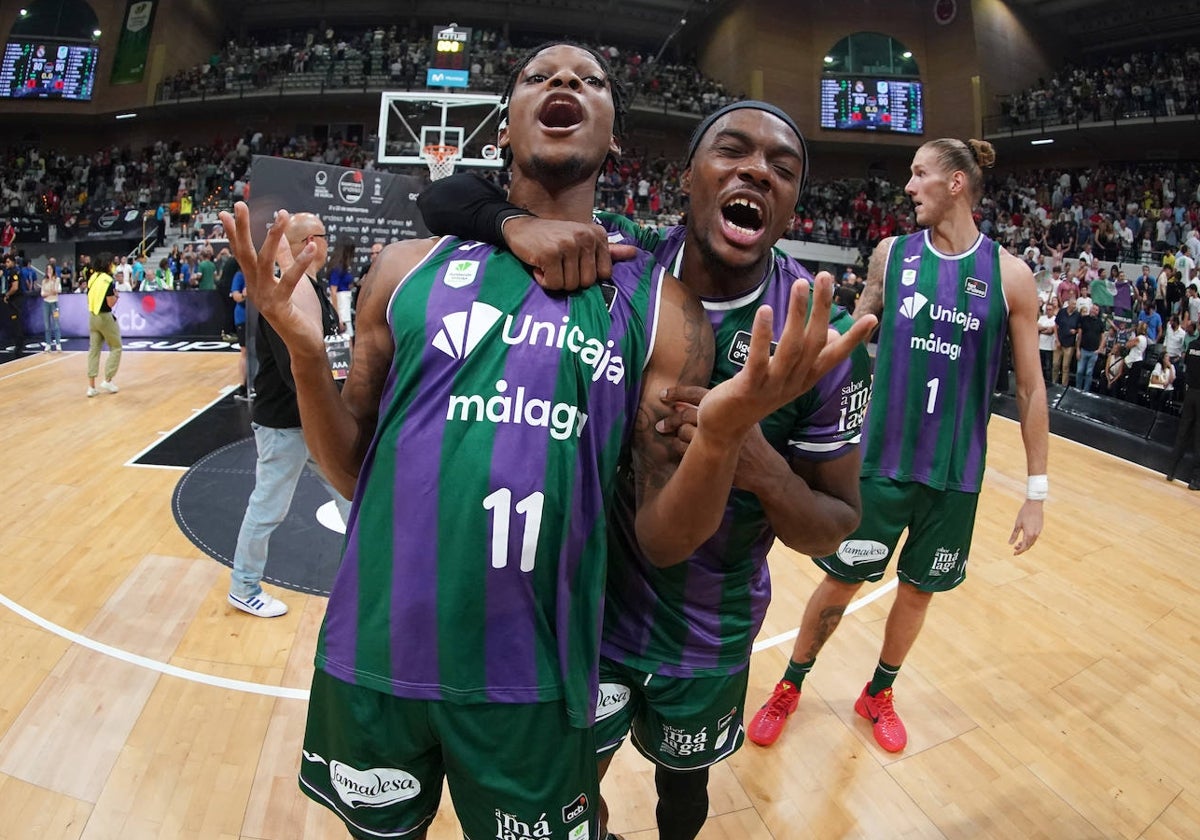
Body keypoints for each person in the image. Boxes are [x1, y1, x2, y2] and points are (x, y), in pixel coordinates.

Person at [220, 43, 862, 840]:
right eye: (540, 78)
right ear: (506, 125)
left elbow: (665, 539)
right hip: (374, 650)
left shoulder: (660, 305)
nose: (564, 83)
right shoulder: (402, 268)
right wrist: (308, 357)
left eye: (590, 80)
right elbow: (353, 469)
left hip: (539, 672)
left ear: (615, 139)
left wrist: (724, 436)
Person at [418, 99, 876, 840]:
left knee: (683, 791)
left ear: (792, 204)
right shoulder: (622, 261)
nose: (757, 170)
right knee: (568, 794)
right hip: (587, 612)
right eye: (732, 151)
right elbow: (441, 198)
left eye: (782, 168)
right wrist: (516, 225)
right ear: (685, 178)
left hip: (710, 629)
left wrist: (760, 467)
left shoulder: (815, 342)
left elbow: (836, 528)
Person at [748, 138, 1049, 754]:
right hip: (879, 464)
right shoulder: (892, 256)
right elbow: (853, 340)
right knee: (841, 582)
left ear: (957, 183)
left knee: (917, 591)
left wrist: (1036, 492)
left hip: (956, 475)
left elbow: (1031, 389)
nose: (908, 187)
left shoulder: (1012, 277)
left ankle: (878, 693)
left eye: (920, 174)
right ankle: (790, 684)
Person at [227, 214, 351, 618]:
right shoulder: (288, 293)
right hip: (285, 425)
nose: (327, 243)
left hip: (311, 422)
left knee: (352, 494)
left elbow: (328, 359)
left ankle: (367, 577)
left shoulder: (313, 289)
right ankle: (243, 587)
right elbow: (293, 370)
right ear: (311, 242)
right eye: (323, 236)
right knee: (269, 507)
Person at [85, 252, 122, 397]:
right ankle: (108, 379)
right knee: (116, 346)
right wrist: (116, 296)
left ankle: (91, 387)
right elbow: (110, 303)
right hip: (105, 317)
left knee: (93, 351)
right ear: (108, 264)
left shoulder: (92, 278)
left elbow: (88, 298)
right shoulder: (108, 280)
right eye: (112, 263)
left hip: (92, 316)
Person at [1165, 334, 1200, 488]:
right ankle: (1196, 479)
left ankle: (1171, 470)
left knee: (1183, 432)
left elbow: (1187, 366)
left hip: (1190, 393)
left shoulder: (1192, 345)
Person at [1075, 302, 1104, 393]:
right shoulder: (1083, 319)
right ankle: (1077, 389)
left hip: (1093, 352)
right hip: (1083, 349)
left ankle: (1086, 391)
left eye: (1096, 310)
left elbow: (1103, 338)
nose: (1094, 311)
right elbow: (1079, 335)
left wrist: (1100, 349)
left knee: (1089, 373)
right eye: (1093, 308)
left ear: (1098, 312)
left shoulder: (1100, 323)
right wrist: (1077, 350)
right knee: (1079, 371)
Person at [1053, 295, 1081, 387]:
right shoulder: (1061, 312)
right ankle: (1054, 382)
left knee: (1065, 366)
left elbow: (1079, 329)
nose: (1074, 305)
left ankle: (1063, 385)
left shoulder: (1077, 315)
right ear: (1068, 303)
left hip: (1069, 344)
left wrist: (1075, 331)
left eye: (1075, 304)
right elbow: (1055, 326)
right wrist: (1057, 340)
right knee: (1055, 364)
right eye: (1073, 304)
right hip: (1059, 342)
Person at [2, 254, 24, 355]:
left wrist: (7, 295)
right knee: (15, 322)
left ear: (12, 262)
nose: (6, 264)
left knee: (16, 322)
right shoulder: (11, 271)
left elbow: (15, 287)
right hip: (14, 300)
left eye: (8, 262)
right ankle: (18, 343)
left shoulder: (14, 272)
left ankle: (19, 345)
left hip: (16, 300)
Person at [41, 258, 62, 352]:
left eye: (50, 269)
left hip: (54, 303)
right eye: (47, 270)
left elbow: (57, 290)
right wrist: (49, 292)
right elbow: (42, 293)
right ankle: (48, 344)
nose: (49, 271)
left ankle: (58, 344)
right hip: (46, 303)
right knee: (47, 325)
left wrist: (51, 280)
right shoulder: (43, 281)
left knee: (56, 324)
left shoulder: (57, 279)